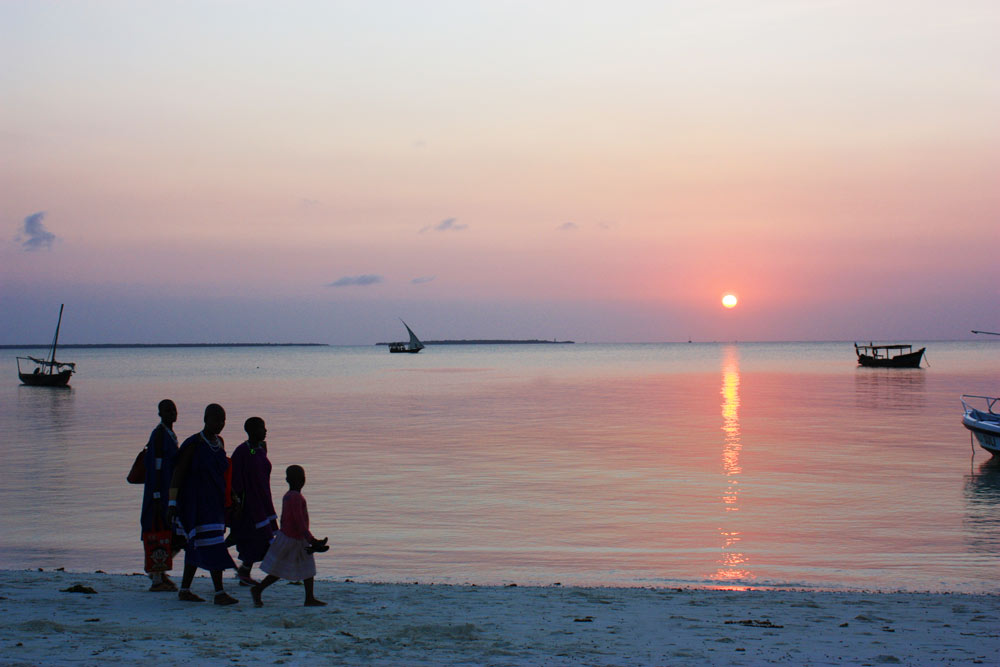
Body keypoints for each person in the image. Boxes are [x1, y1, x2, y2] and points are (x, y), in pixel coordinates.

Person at [168, 403, 239, 605]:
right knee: (210, 545)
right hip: (196, 504)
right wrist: (172, 502)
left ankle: (185, 589)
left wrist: (233, 496)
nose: (220, 424)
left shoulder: (219, 443)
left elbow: (223, 475)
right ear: (206, 419)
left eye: (223, 420)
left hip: (215, 503)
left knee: (199, 546)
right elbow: (178, 473)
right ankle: (219, 593)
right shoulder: (194, 444)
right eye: (216, 419)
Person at [251, 465, 328, 607]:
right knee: (281, 569)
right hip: (294, 539)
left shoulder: (288, 496)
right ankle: (258, 589)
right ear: (303, 480)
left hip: (291, 537)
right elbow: (299, 521)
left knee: (307, 567)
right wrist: (311, 539)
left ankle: (309, 597)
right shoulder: (295, 497)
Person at [229, 416, 278, 586]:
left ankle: (244, 572)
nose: (265, 431)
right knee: (255, 539)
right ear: (251, 431)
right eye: (261, 428)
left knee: (262, 538)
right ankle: (244, 572)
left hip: (263, 500)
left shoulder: (260, 449)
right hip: (249, 503)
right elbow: (235, 478)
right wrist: (237, 502)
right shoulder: (243, 451)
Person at [141, 399, 180, 592]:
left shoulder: (170, 434)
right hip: (158, 492)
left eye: (173, 409)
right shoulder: (159, 435)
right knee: (158, 531)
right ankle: (156, 576)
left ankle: (159, 570)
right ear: (160, 413)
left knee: (171, 532)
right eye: (167, 410)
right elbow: (154, 468)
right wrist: (156, 496)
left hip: (169, 490)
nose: (172, 412)